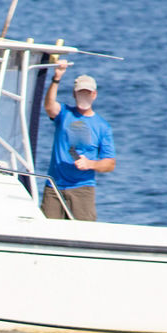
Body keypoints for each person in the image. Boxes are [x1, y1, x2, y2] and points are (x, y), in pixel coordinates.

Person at [41, 62, 115, 221]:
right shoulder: (64, 114)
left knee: (84, 233)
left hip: (82, 189)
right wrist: (56, 78)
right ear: (74, 94)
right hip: (54, 186)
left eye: (87, 93)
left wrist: (91, 164)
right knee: (48, 231)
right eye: (81, 93)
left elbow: (110, 163)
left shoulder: (102, 126)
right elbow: (48, 106)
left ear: (94, 95)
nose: (84, 96)